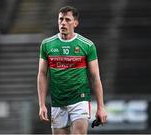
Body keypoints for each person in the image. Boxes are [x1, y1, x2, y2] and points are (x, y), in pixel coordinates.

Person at [37, 6, 107, 134]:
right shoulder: (47, 44)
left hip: (79, 100)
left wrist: (101, 107)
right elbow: (42, 74)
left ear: (75, 23)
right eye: (60, 19)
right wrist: (42, 105)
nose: (63, 23)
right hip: (58, 102)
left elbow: (95, 77)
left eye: (67, 20)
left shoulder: (87, 45)